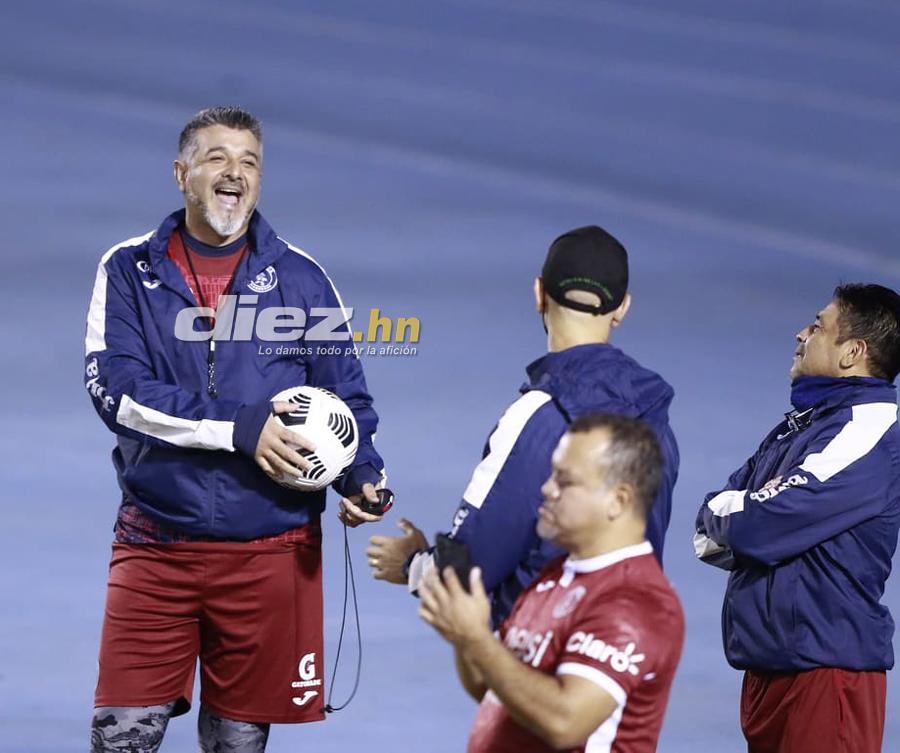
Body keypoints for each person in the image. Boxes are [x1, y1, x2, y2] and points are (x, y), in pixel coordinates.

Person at [83, 106, 385, 753]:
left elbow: (347, 396)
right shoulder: (128, 272)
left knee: (238, 746)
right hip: (156, 545)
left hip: (269, 551)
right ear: (181, 173)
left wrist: (362, 475)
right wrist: (240, 427)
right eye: (218, 157)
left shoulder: (303, 279)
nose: (235, 174)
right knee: (119, 741)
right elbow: (121, 395)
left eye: (250, 162)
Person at [367, 225, 678, 626]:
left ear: (539, 294)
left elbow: (469, 569)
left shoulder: (537, 417)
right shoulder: (655, 423)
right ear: (622, 308)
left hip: (544, 657)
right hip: (630, 652)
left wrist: (412, 564)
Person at [694, 284, 900, 753]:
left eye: (817, 326)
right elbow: (709, 527)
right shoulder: (801, 428)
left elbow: (753, 525)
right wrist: (749, 517)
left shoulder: (865, 435)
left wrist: (750, 517)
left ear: (853, 352)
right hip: (770, 669)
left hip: (824, 677)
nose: (800, 333)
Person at [420, 413, 684, 753]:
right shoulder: (558, 573)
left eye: (565, 481)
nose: (547, 489)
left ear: (618, 500)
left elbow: (565, 723)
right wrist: (463, 636)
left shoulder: (636, 601)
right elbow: (494, 690)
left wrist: (476, 638)